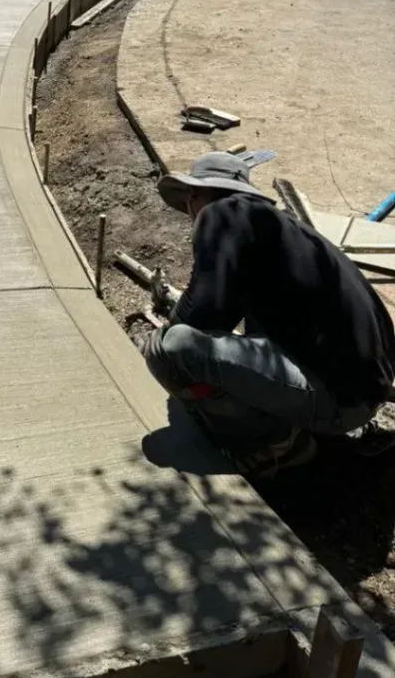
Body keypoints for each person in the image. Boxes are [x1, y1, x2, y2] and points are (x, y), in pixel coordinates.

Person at [142, 152, 395, 478]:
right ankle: (285, 424)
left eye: (190, 199)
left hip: (339, 403)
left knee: (168, 349)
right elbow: (222, 314)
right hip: (362, 393)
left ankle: (276, 445)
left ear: (195, 195)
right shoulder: (284, 234)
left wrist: (170, 354)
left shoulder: (221, 213)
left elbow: (201, 314)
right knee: (223, 342)